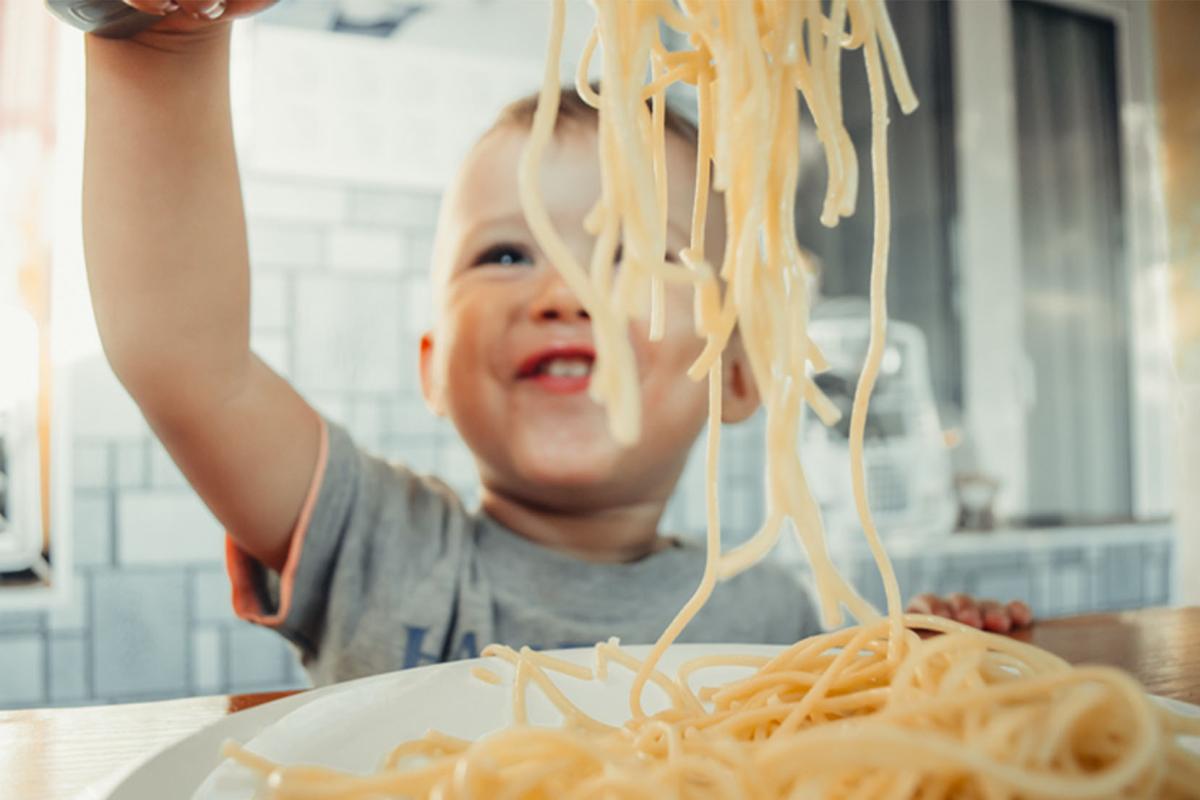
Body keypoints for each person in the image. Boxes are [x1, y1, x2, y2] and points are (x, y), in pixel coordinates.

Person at [81, 0, 1031, 686]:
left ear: (739, 371)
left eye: (631, 257)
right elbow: (185, 360)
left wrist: (922, 665)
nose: (564, 293)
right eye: (504, 253)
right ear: (432, 368)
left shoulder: (773, 624)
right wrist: (160, 34)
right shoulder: (377, 548)